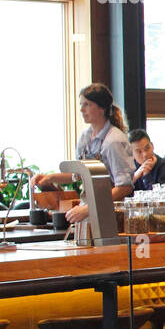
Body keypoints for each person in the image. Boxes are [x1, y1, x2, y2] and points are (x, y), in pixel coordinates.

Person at [34, 83, 134, 224]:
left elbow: (124, 187)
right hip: (88, 211)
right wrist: (50, 178)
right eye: (81, 104)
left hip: (111, 216)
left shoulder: (113, 141)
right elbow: (79, 175)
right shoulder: (85, 137)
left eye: (87, 104)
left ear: (102, 108)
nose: (81, 109)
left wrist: (89, 208)